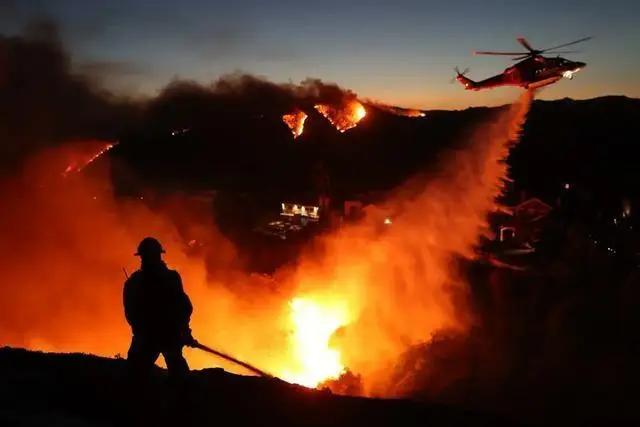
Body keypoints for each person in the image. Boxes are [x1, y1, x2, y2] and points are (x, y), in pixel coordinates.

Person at [123, 237, 194, 381]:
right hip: (158, 336)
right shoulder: (169, 278)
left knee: (135, 375)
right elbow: (184, 308)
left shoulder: (135, 282)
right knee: (136, 374)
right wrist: (183, 331)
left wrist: (185, 331)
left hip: (158, 336)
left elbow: (183, 308)